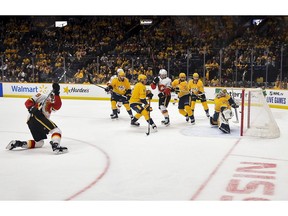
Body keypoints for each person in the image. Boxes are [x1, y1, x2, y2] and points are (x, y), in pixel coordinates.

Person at [6, 83, 68, 154]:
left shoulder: (52, 103)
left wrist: (57, 93)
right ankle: (56, 145)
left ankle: (19, 143)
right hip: (36, 116)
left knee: (39, 143)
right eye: (53, 95)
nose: (54, 97)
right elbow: (28, 102)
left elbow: (57, 106)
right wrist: (32, 108)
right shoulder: (41, 96)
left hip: (33, 121)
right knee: (56, 130)